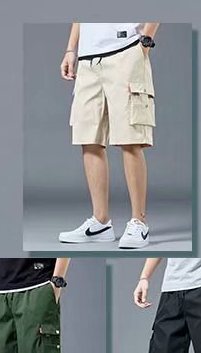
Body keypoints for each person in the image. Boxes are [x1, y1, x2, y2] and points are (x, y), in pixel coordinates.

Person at [59, 22, 160, 249]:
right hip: (87, 59)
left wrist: (145, 41)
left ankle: (139, 222)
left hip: (125, 49)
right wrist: (71, 49)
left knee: (130, 138)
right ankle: (101, 223)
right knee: (88, 138)